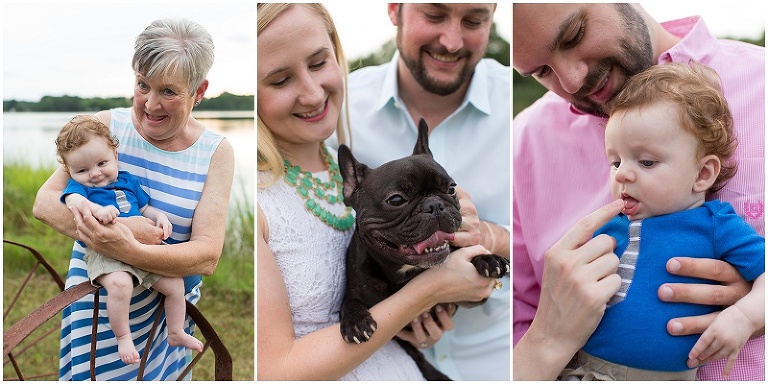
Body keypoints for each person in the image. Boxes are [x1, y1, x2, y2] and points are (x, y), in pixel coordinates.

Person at [512, 4, 764, 380]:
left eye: (574, 34)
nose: (572, 80)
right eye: (541, 72)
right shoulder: (523, 142)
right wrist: (548, 335)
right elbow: (512, 322)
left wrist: (753, 309)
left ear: (705, 171)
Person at [256, 3, 498, 380]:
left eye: (319, 63)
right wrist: (426, 293)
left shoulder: (354, 164)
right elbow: (273, 371)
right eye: (279, 80)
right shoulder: (261, 202)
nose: (312, 93)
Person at [33, 17, 234, 380]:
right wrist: (125, 230)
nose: (150, 104)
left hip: (166, 315)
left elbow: (207, 255)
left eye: (169, 91)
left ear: (199, 90)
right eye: (143, 85)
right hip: (100, 304)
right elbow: (45, 203)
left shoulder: (216, 152)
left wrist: (132, 249)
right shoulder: (105, 127)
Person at [327, 3, 510, 380]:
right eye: (435, 14)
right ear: (395, 10)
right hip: (384, 359)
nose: (452, 40)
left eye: (474, 20)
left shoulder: (519, 102)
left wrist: (492, 238)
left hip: (499, 360)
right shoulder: (332, 107)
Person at [561, 63, 765, 380]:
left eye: (646, 161)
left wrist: (744, 317)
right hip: (588, 369)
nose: (622, 173)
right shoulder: (611, 224)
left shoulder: (716, 225)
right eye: (616, 161)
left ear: (702, 174)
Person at [55, 115, 205, 365]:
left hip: (143, 249)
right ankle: (123, 336)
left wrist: (161, 218)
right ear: (70, 171)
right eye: (82, 170)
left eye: (101, 163)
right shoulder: (80, 189)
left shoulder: (127, 181)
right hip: (106, 251)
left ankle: (176, 331)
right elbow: (74, 203)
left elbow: (145, 208)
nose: (94, 174)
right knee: (120, 286)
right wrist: (96, 210)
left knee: (175, 286)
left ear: (114, 154)